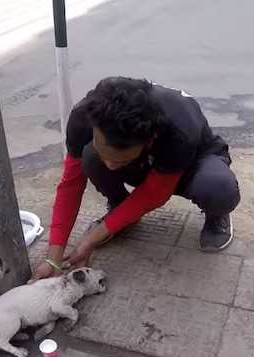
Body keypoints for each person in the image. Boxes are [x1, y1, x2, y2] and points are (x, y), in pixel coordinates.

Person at [32, 77, 240, 281]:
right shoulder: (84, 116)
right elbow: (70, 184)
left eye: (119, 161)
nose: (110, 165)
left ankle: (216, 216)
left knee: (218, 187)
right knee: (90, 158)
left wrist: (91, 240)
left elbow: (154, 194)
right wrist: (53, 259)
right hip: (146, 164)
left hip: (194, 162)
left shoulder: (179, 129)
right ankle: (119, 208)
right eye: (106, 154)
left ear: (148, 141)